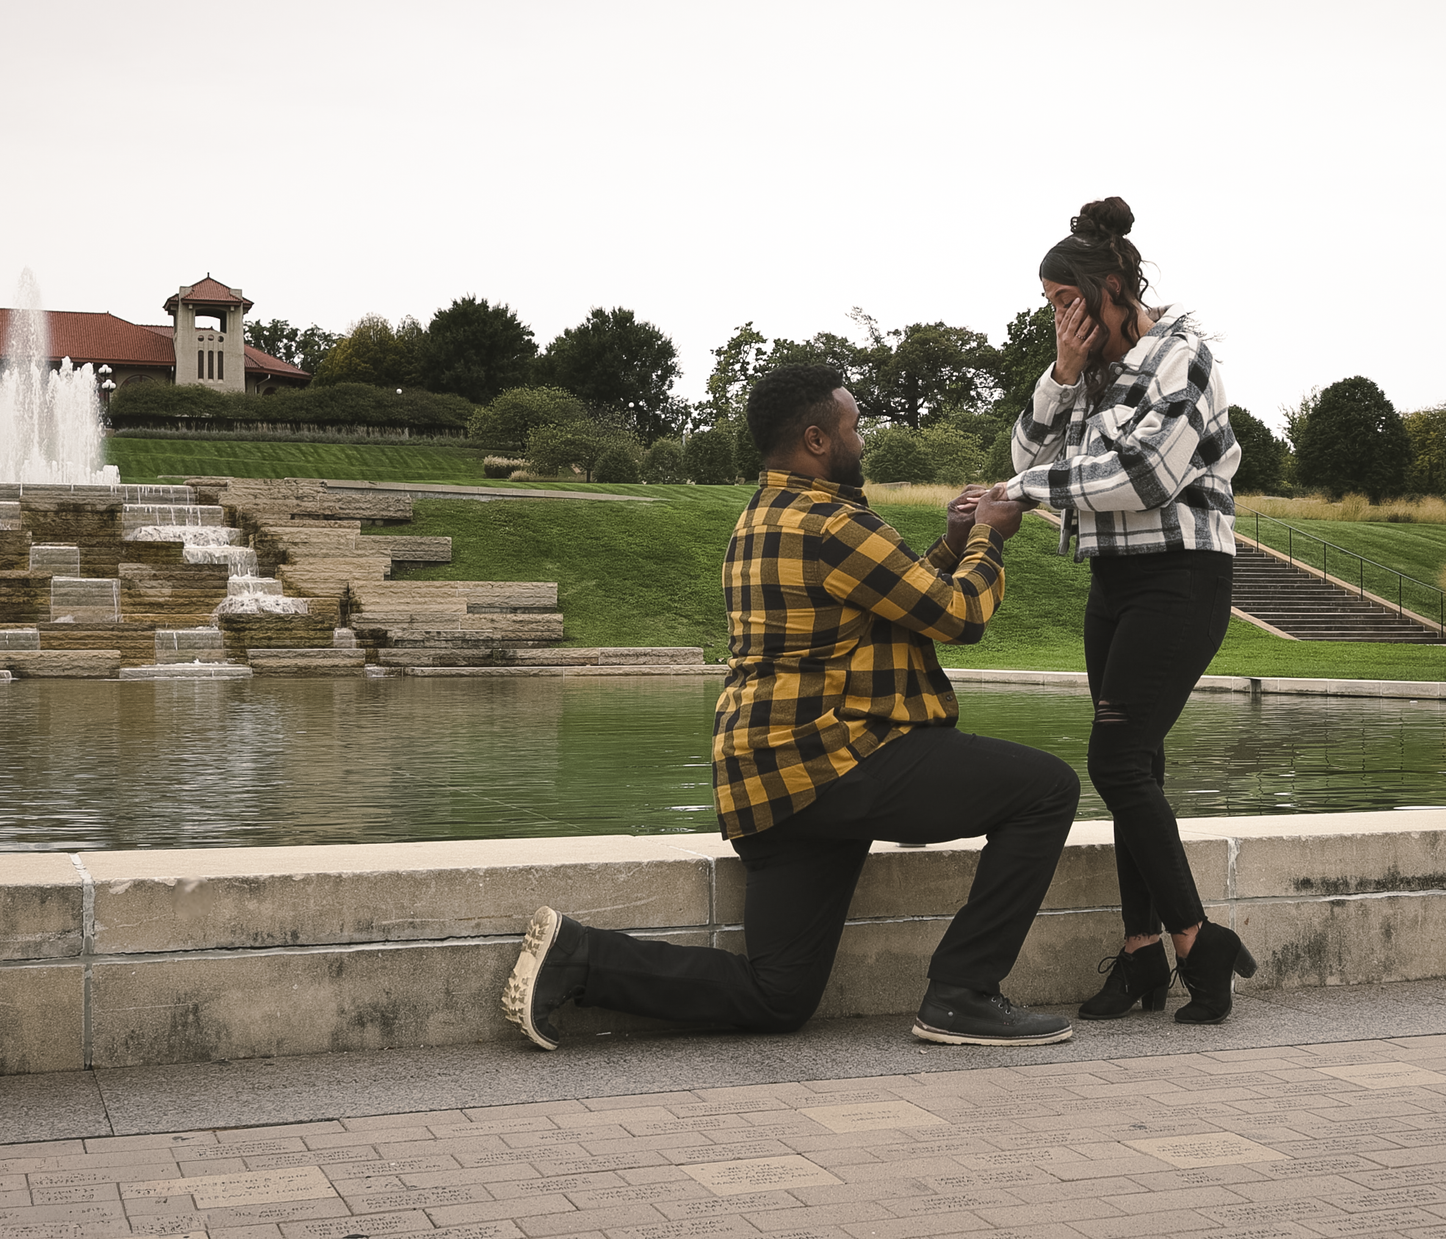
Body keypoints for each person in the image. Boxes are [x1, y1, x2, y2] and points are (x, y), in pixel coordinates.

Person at [501, 363, 1083, 1049]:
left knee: (778, 996)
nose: (862, 442)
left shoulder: (760, 517)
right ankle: (963, 993)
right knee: (1047, 790)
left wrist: (954, 541)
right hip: (833, 762)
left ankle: (581, 958)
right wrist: (990, 536)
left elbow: (892, 605)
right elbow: (957, 614)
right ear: (816, 440)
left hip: (766, 782)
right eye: (854, 428)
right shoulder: (834, 524)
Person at [987, 196, 1258, 1024]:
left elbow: (1142, 478)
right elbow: (1027, 452)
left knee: (1115, 764)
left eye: (1067, 304)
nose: (1061, 323)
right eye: (1049, 310)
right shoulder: (1089, 372)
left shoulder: (1185, 358)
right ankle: (1142, 956)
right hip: (1113, 585)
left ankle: (1195, 942)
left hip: (1182, 581)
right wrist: (1063, 378)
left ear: (1111, 287)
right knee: (1139, 767)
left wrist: (1018, 492)